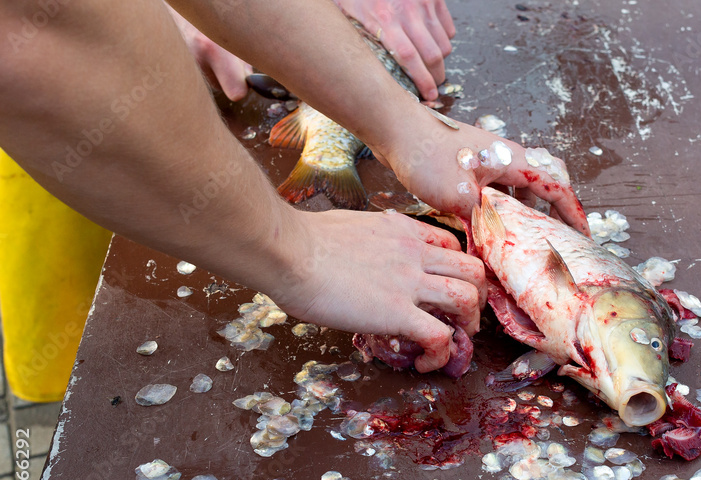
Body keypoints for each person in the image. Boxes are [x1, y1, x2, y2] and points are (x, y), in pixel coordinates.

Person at [0, 0, 588, 382]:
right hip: (65, 140)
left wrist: (407, 128)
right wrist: (294, 250)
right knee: (86, 390)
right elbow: (32, 31)